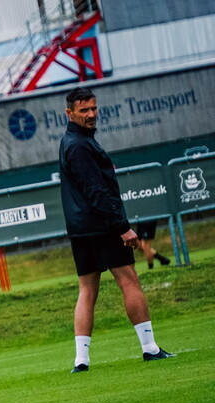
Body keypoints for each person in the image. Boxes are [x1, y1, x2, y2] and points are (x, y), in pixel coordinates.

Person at [58, 87, 174, 374]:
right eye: (84, 110)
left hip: (80, 230)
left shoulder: (73, 141)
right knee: (129, 280)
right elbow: (96, 191)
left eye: (94, 108)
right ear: (69, 113)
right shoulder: (80, 146)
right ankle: (150, 349)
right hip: (102, 226)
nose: (91, 115)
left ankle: (81, 361)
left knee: (87, 290)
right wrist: (122, 228)